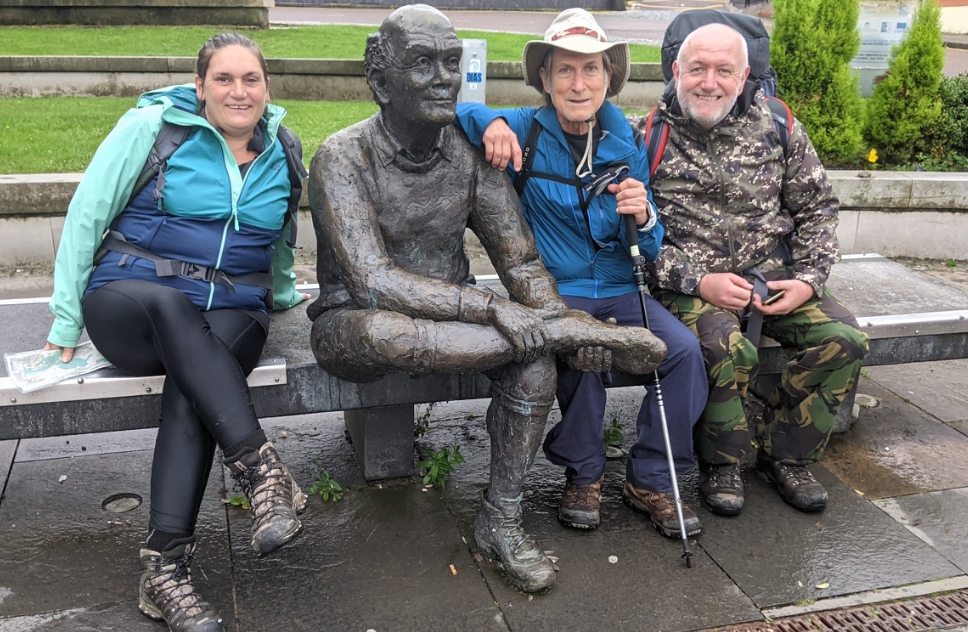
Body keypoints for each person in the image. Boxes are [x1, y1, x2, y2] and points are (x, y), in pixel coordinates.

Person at [307, 4, 668, 593]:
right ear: (379, 82)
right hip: (355, 322)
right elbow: (374, 282)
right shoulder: (341, 158)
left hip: (459, 324)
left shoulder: (473, 155)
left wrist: (544, 312)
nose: (442, 78)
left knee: (531, 364)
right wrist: (506, 312)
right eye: (421, 64)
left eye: (450, 63)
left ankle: (500, 520)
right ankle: (571, 332)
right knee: (385, 330)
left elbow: (521, 263)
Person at [44, 33, 310, 632]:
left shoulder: (284, 148)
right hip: (131, 300)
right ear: (200, 87)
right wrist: (64, 321)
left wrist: (286, 291)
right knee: (172, 308)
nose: (238, 91)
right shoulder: (153, 128)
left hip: (232, 310)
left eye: (251, 79)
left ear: (266, 89)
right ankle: (261, 470)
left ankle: (165, 571)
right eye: (224, 79)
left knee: (195, 388)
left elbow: (284, 234)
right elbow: (86, 213)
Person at [453, 9, 708, 539]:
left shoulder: (624, 142)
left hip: (619, 286)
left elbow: (652, 246)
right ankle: (584, 473)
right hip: (558, 291)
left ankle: (652, 476)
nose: (578, 83)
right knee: (581, 349)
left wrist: (644, 215)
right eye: (564, 70)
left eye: (590, 69)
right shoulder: (526, 128)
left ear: (608, 77)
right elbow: (464, 113)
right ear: (545, 79)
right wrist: (492, 123)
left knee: (683, 351)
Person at [644, 22, 869, 516]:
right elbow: (638, 239)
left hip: (772, 280)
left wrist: (808, 279)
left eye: (724, 70)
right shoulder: (648, 135)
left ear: (744, 74)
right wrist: (698, 280)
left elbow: (817, 210)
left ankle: (785, 453)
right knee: (727, 346)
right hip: (690, 286)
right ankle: (722, 461)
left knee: (845, 338)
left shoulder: (779, 123)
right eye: (697, 68)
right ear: (676, 70)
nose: (709, 82)